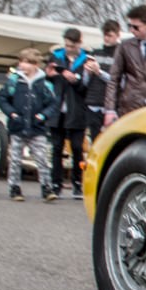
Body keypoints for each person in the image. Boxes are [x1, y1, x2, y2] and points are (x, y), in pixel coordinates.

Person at [0, 49, 58, 202]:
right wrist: (12, 113)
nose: (22, 65)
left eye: (26, 62)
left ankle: (46, 187)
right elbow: (3, 99)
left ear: (35, 64)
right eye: (21, 62)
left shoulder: (44, 84)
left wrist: (43, 115)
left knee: (42, 159)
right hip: (17, 126)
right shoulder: (14, 81)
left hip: (37, 128)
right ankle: (14, 187)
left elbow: (52, 104)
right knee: (15, 159)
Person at [45, 27, 92, 199]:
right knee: (57, 147)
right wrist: (50, 75)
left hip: (77, 109)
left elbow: (87, 86)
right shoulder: (56, 57)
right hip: (57, 109)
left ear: (79, 43)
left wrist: (75, 81)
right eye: (66, 45)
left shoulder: (87, 60)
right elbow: (48, 79)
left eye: (72, 46)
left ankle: (77, 183)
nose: (68, 49)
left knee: (77, 148)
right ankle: (55, 183)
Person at [84, 19, 119, 139]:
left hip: (111, 105)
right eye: (105, 35)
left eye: (110, 35)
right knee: (94, 139)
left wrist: (99, 72)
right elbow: (85, 82)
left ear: (117, 35)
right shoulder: (95, 53)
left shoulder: (120, 55)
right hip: (93, 102)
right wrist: (87, 72)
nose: (106, 38)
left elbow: (117, 81)